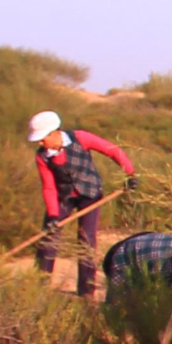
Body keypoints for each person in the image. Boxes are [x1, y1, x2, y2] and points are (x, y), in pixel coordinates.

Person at [27, 111, 136, 298]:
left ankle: (87, 292)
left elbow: (112, 150)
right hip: (63, 198)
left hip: (90, 194)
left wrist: (130, 174)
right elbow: (49, 188)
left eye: (42, 138)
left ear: (54, 133)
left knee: (86, 242)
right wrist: (53, 215)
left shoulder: (80, 138)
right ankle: (40, 288)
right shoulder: (42, 156)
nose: (39, 143)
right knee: (48, 239)